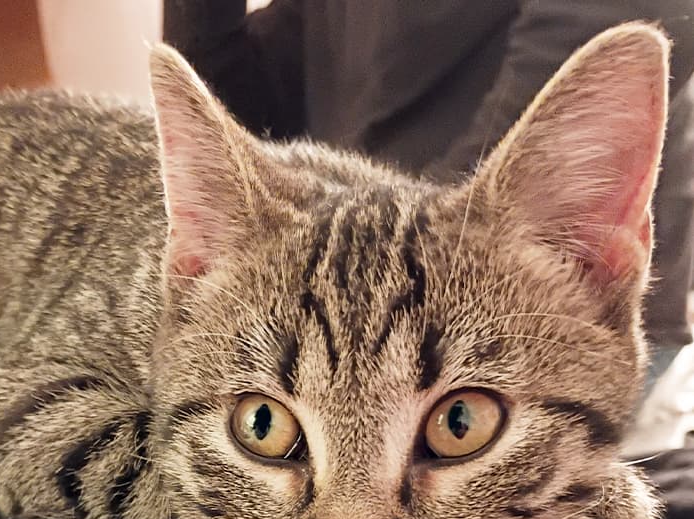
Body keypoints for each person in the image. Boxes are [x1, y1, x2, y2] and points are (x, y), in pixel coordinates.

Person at [163, 0, 694, 408]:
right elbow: (243, 97)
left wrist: (433, 248)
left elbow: (615, 16)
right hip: (334, 300)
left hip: (528, 287)